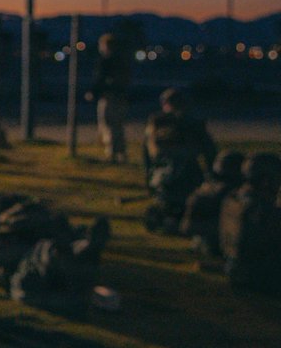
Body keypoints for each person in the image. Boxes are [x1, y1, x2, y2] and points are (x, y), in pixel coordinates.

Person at [142, 87, 217, 234]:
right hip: (186, 176)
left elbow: (147, 154)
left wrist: (148, 176)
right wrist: (211, 176)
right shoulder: (192, 124)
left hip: (162, 176)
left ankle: (171, 217)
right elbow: (209, 152)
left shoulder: (156, 123)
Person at [219, 152, 281, 294]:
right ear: (266, 181)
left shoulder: (233, 198)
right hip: (259, 277)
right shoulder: (261, 210)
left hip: (235, 271)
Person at [87, 33, 131, 163]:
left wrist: (93, 92)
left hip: (108, 96)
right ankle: (121, 152)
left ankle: (111, 153)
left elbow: (100, 78)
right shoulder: (122, 61)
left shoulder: (105, 61)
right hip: (121, 96)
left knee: (108, 124)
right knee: (118, 125)